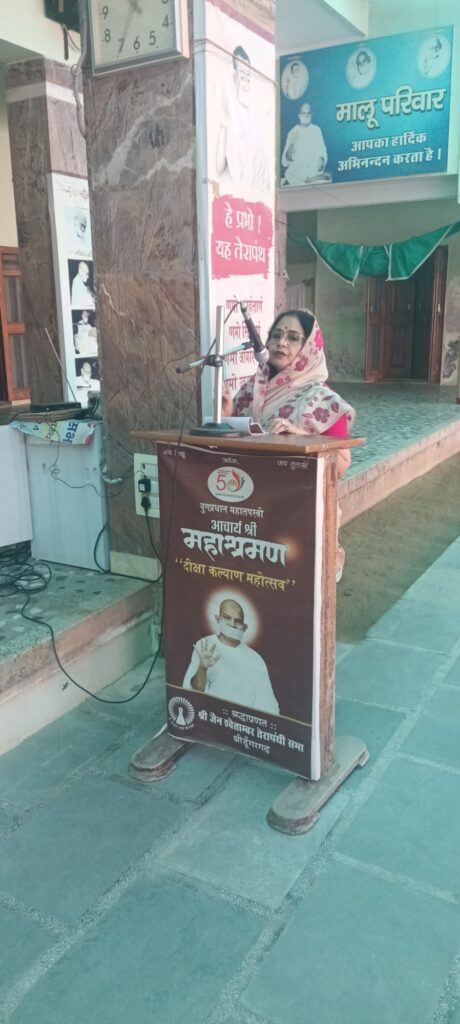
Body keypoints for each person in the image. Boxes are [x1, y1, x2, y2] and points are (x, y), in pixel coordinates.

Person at [222, 309, 355, 581]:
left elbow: (342, 464)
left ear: (309, 348)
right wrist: (226, 415)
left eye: (293, 338)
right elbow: (235, 445)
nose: (281, 343)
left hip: (302, 519)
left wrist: (301, 438)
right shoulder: (250, 391)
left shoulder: (322, 400)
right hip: (254, 511)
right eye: (276, 335)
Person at [183, 598, 279, 715]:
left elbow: (267, 705)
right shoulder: (205, 646)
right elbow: (193, 693)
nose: (232, 625)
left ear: (244, 627)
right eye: (227, 618)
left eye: (238, 621)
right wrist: (203, 668)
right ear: (218, 619)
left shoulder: (256, 660)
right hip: (210, 716)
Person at [215, 45, 270, 193]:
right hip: (233, 196)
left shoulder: (255, 118)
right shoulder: (228, 113)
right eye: (242, 75)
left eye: (247, 76)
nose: (245, 82)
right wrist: (224, 126)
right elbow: (219, 169)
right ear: (234, 76)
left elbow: (263, 173)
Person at [281, 104, 329, 186]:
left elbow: (322, 150)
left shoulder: (316, 130)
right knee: (290, 172)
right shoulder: (293, 132)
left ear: (311, 115)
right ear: (299, 115)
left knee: (313, 168)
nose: (306, 115)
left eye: (308, 113)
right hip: (298, 167)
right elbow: (286, 160)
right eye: (303, 113)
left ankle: (309, 179)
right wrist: (292, 143)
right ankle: (314, 179)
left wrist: (321, 159)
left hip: (312, 166)